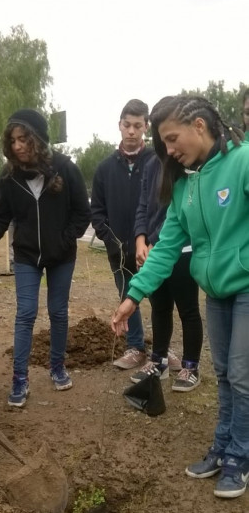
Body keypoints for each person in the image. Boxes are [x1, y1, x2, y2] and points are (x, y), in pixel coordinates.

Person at [112, 94, 249, 499]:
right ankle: (223, 447)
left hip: (246, 288)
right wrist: (133, 296)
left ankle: (240, 457)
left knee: (242, 377)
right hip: (217, 291)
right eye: (164, 143)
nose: (169, 150)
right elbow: (166, 246)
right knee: (223, 373)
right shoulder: (186, 183)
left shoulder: (242, 162)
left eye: (172, 139)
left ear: (200, 127)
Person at [0, 109, 91, 407]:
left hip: (62, 256)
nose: (17, 146)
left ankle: (57, 367)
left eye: (24, 139)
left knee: (58, 312)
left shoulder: (66, 168)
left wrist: (63, 240)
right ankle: (20, 378)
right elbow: (1, 215)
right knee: (26, 313)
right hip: (27, 255)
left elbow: (83, 214)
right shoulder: (8, 177)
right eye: (13, 140)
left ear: (39, 140)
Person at [90, 99, 155, 370]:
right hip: (119, 251)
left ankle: (162, 350)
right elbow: (97, 212)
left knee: (162, 298)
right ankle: (135, 347)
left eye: (137, 126)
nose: (131, 131)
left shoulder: (156, 161)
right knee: (128, 296)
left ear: (146, 127)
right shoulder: (105, 169)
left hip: (152, 248)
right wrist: (110, 238)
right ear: (119, 125)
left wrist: (153, 239)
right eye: (127, 125)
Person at [132, 154, 203, 391]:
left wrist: (154, 240)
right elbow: (143, 205)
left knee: (188, 309)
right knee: (159, 307)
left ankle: (190, 366)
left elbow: (177, 209)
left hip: (182, 248)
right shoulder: (151, 164)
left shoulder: (187, 160)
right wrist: (140, 239)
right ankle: (158, 361)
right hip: (152, 250)